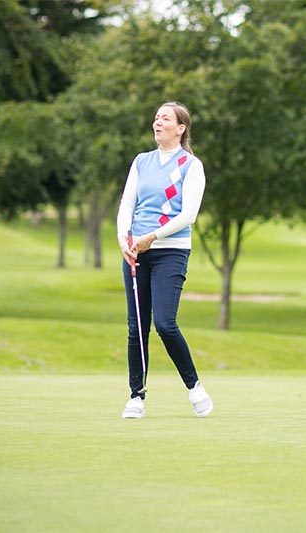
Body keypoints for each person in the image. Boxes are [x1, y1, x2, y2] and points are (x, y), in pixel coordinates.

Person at [116, 101, 212, 419]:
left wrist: (152, 237)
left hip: (171, 251)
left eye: (165, 118)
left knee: (165, 324)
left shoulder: (190, 166)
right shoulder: (141, 161)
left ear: (180, 128)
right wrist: (123, 238)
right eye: (156, 117)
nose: (157, 122)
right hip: (136, 251)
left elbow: (188, 214)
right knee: (137, 327)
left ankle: (194, 386)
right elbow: (127, 204)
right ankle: (136, 397)